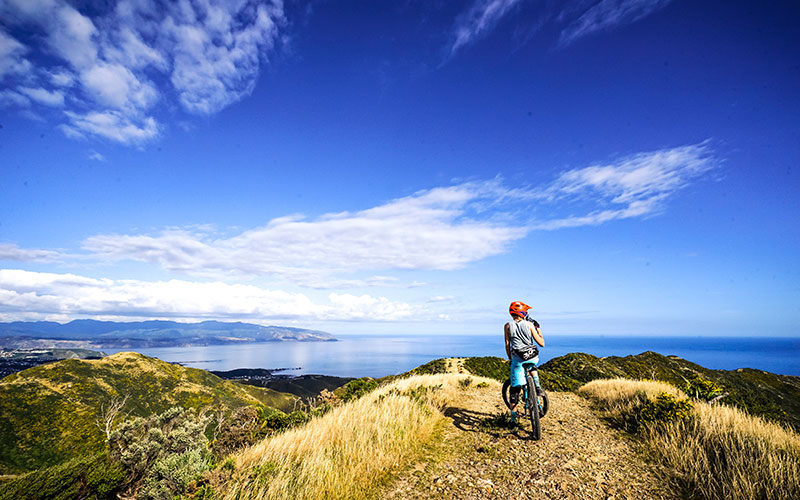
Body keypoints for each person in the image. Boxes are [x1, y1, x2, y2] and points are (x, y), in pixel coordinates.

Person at [504, 301, 545, 424]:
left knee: (514, 389)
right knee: (532, 365)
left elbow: (507, 345)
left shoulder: (507, 326)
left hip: (517, 358)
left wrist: (510, 358)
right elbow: (541, 343)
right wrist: (539, 330)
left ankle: (513, 419)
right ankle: (537, 387)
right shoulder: (530, 325)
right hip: (531, 357)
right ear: (523, 313)